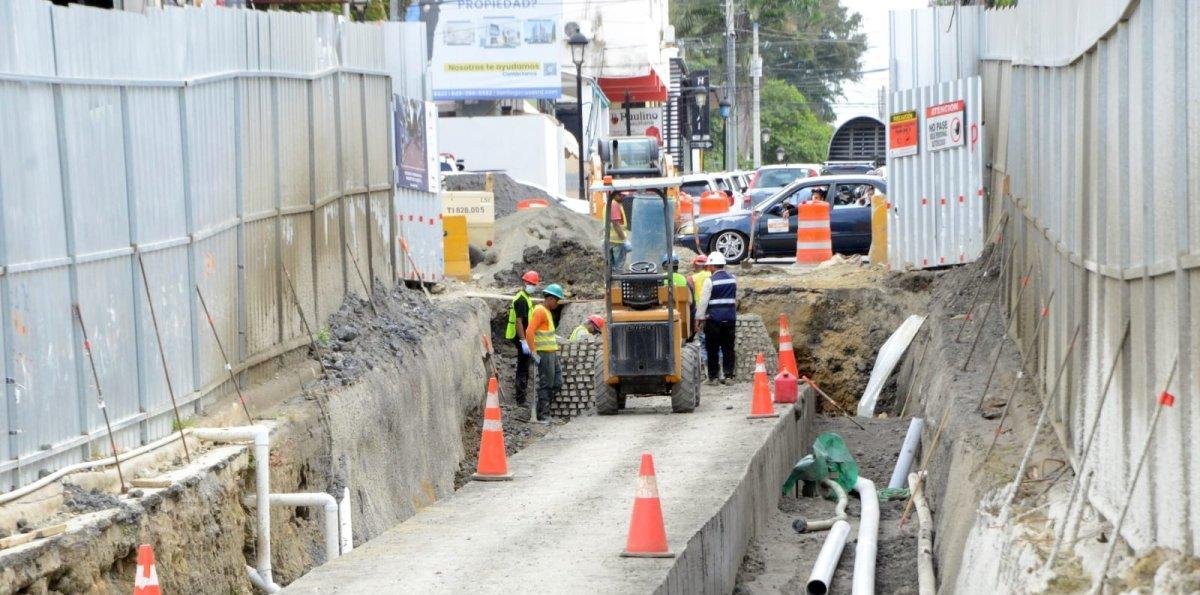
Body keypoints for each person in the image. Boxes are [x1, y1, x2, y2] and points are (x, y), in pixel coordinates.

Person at [695, 252, 737, 385]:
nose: (708, 268)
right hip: (730, 319)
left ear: (713, 266)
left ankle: (714, 378)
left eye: (709, 266)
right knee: (728, 348)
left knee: (712, 348)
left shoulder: (710, 281)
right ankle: (729, 376)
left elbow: (703, 302)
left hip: (714, 320)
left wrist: (699, 318)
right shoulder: (733, 278)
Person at [525, 283, 566, 422]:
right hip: (544, 353)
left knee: (557, 382)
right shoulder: (540, 311)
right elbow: (529, 331)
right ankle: (543, 415)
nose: (557, 304)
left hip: (551, 353)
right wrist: (533, 352)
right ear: (551, 299)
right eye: (557, 300)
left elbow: (547, 333)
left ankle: (542, 409)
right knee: (546, 384)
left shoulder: (547, 311)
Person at [505, 270, 539, 405]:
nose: (532, 285)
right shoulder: (521, 300)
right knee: (523, 367)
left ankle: (522, 398)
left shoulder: (526, 298)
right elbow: (519, 322)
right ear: (524, 283)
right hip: (519, 336)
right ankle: (520, 400)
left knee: (525, 366)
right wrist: (523, 341)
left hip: (524, 336)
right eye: (530, 283)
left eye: (533, 284)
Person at [689, 255, 710, 342]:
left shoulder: (692, 278)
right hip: (711, 311)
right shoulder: (713, 275)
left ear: (695, 265)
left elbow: (689, 297)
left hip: (697, 311)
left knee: (701, 339)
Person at [608, 192, 630, 272]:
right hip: (617, 241)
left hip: (610, 240)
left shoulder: (610, 203)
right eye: (622, 195)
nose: (623, 197)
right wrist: (624, 240)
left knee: (610, 267)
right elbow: (616, 224)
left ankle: (612, 282)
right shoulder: (614, 205)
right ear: (616, 195)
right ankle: (617, 283)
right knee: (618, 267)